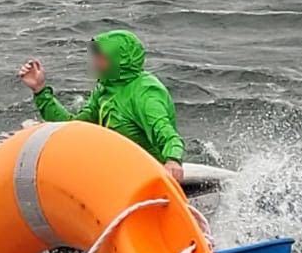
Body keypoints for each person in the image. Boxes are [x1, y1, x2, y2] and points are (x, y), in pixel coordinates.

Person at [17, 30, 185, 182]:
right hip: (115, 169)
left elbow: (169, 136)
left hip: (146, 176)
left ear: (120, 60)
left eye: (101, 58)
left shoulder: (146, 94)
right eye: (96, 57)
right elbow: (73, 127)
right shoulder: (106, 88)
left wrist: (173, 160)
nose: (95, 63)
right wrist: (40, 91)